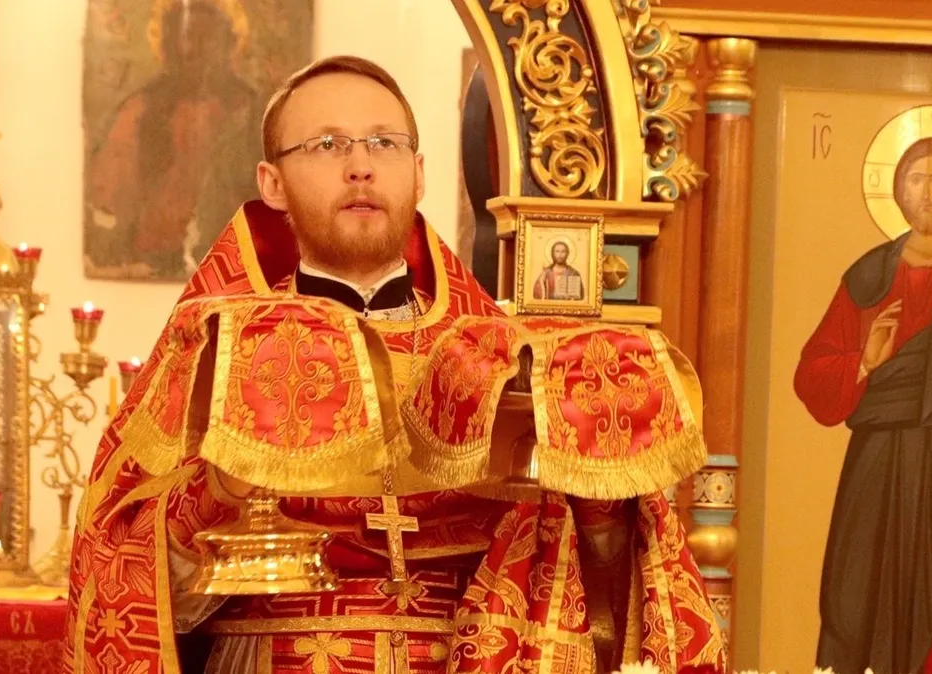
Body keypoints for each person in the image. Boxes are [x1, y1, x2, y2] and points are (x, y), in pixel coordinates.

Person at [64, 55, 725, 674]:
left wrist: (603, 496)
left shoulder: (498, 358)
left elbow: (589, 572)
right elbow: (125, 568)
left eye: (384, 143)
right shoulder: (214, 349)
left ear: (419, 172)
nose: (360, 166)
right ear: (273, 183)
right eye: (327, 144)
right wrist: (225, 488)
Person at [795, 136, 932, 674]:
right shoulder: (869, 275)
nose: (925, 192)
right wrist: (864, 362)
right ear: (898, 192)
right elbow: (811, 373)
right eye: (915, 179)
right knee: (861, 596)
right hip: (882, 464)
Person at [85, 0, 258, 279]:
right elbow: (109, 197)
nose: (192, 50)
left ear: (228, 44)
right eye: (184, 38)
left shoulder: (251, 112)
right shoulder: (139, 111)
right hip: (151, 260)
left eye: (206, 38)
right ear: (166, 45)